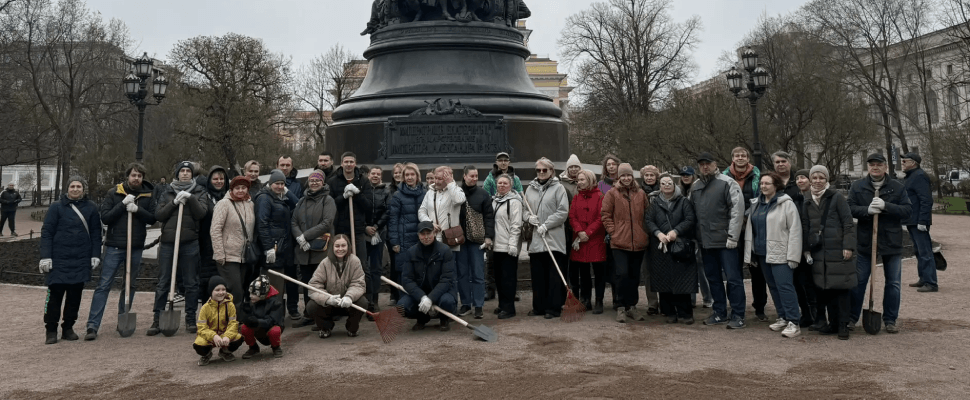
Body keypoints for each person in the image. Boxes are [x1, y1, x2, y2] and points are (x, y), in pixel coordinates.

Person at [85, 163, 156, 341]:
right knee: (104, 285)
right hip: (114, 246)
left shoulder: (148, 194)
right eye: (133, 175)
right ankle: (93, 325)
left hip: (136, 247)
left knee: (130, 285)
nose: (136, 178)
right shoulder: (114, 193)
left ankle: (122, 319)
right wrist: (123, 205)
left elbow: (154, 218)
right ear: (127, 177)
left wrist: (138, 209)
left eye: (139, 175)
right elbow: (106, 218)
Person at [848, 153, 912, 334]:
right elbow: (849, 208)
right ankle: (852, 317)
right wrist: (866, 210)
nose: (875, 168)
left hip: (891, 242)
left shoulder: (897, 188)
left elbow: (907, 210)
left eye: (878, 165)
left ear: (885, 167)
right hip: (866, 240)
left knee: (893, 283)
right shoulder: (858, 186)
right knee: (859, 281)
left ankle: (890, 319)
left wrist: (886, 206)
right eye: (872, 165)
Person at [149, 161, 210, 336]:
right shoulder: (167, 191)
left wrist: (190, 199)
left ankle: (190, 319)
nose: (185, 174)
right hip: (168, 243)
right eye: (182, 171)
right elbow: (159, 215)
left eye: (188, 171)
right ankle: (157, 319)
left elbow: (201, 213)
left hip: (190, 242)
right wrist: (174, 202)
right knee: (163, 283)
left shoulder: (199, 191)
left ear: (192, 175)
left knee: (191, 283)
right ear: (177, 174)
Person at [39, 176, 101, 344]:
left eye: (78, 186)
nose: (75, 189)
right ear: (67, 188)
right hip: (59, 259)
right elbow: (47, 232)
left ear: (83, 189)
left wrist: (96, 254)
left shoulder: (91, 208)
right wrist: (46, 256)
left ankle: (68, 327)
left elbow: (96, 233)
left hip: (81, 259)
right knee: (54, 297)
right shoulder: (56, 207)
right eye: (72, 186)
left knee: (75, 297)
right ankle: (51, 329)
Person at [744, 172, 803, 338]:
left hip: (781, 253)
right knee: (773, 287)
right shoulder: (756, 204)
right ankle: (783, 316)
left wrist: (793, 255)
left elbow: (795, 230)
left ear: (776, 185)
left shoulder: (785, 204)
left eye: (767, 183)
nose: (763, 186)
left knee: (785, 287)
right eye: (762, 183)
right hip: (762, 253)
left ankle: (794, 321)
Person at [801, 165, 856, 340]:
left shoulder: (837, 197)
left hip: (837, 249)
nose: (818, 181)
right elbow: (805, 225)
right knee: (825, 288)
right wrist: (806, 248)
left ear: (827, 180)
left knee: (841, 288)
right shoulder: (807, 198)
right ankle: (832, 323)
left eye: (821, 178)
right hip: (818, 252)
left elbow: (848, 223)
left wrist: (848, 246)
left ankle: (843, 324)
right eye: (815, 178)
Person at [691, 152, 746, 329]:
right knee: (713, 279)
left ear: (715, 164)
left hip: (725, 241)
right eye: (701, 164)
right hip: (705, 242)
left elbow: (737, 211)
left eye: (708, 163)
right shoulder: (696, 186)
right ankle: (719, 312)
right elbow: (692, 214)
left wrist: (733, 236)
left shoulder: (727, 183)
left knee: (733, 278)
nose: (705, 167)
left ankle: (738, 314)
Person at [772, 151, 817, 329]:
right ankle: (803, 313)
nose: (781, 164)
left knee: (807, 280)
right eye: (777, 162)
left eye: (784, 161)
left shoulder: (798, 181)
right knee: (795, 281)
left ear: (789, 162)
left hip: (803, 237)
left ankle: (814, 314)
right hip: (783, 238)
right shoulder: (774, 184)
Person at [645, 174, 697, 324]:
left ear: (674, 185)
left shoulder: (684, 202)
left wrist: (676, 231)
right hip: (661, 247)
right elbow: (649, 220)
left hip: (679, 245)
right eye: (663, 183)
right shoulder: (654, 203)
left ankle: (685, 313)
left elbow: (689, 219)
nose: (666, 185)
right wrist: (658, 233)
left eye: (669, 183)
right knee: (663, 280)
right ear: (659, 186)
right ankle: (669, 313)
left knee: (682, 281)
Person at [723, 146, 768, 322]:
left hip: (753, 226)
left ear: (748, 158)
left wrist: (746, 215)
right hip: (732, 228)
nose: (740, 158)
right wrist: (735, 218)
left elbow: (761, 198)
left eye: (743, 155)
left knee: (757, 271)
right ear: (732, 158)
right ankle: (735, 306)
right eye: (737, 155)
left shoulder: (758, 176)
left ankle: (760, 307)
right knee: (733, 270)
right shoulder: (724, 177)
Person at [601, 163, 649, 323]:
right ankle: (620, 306)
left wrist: (644, 232)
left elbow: (647, 214)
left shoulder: (641, 193)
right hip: (619, 242)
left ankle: (632, 306)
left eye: (629, 175)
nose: (626, 178)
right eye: (623, 176)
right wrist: (613, 232)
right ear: (619, 178)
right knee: (622, 274)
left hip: (638, 241)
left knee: (635, 276)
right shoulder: (612, 194)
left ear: (632, 176)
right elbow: (605, 214)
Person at [523, 158, 570, 319]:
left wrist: (546, 225)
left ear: (551, 171)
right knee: (538, 275)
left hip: (553, 238)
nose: (541, 173)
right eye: (539, 170)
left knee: (554, 275)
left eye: (545, 170)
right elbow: (524, 209)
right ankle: (539, 307)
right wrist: (529, 218)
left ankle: (553, 308)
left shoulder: (559, 189)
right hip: (536, 240)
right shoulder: (530, 189)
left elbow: (562, 212)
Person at [291, 170, 336, 326]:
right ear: (308, 182)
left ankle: (323, 316)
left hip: (321, 250)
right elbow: (294, 222)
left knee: (322, 283)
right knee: (306, 283)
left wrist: (306, 235)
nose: (314, 183)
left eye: (318, 180)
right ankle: (309, 314)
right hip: (304, 250)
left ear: (323, 183)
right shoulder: (302, 201)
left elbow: (327, 222)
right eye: (312, 180)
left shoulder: (327, 200)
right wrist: (299, 237)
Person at [255, 169, 300, 320]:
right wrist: (268, 247)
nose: (280, 186)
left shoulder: (280, 198)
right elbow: (262, 223)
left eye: (282, 184)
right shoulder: (264, 199)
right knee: (273, 283)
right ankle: (272, 316)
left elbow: (298, 205)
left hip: (284, 246)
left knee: (281, 282)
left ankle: (278, 314)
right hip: (273, 247)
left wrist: (287, 192)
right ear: (270, 183)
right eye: (277, 183)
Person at [399, 221, 458, 331]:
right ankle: (422, 318)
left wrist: (431, 298)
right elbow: (407, 280)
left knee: (447, 301)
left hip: (442, 292)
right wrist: (422, 297)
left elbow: (447, 279)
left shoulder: (445, 251)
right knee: (402, 306)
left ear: (434, 233)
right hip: (420, 293)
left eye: (428, 233)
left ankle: (444, 318)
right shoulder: (411, 252)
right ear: (418, 235)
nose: (426, 237)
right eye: (422, 234)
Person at [305, 234, 368, 338]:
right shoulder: (324, 263)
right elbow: (314, 286)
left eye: (343, 246)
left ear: (348, 246)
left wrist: (349, 297)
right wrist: (327, 299)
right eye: (337, 246)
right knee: (311, 306)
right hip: (330, 304)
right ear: (332, 247)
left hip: (349, 304)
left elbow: (359, 284)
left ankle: (352, 328)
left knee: (363, 302)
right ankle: (326, 327)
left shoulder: (355, 261)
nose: (340, 249)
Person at [210, 176, 256, 311]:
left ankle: (235, 319)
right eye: (237, 188)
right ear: (232, 189)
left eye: (243, 188)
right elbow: (215, 229)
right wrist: (219, 253)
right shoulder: (224, 204)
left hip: (244, 255)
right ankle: (231, 321)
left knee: (241, 288)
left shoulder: (250, 204)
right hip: (228, 255)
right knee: (235, 290)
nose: (240, 190)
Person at [456, 166, 495, 319]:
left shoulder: (484, 194)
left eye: (476, 176)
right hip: (459, 241)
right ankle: (466, 304)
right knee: (462, 274)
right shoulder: (456, 193)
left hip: (477, 241)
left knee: (478, 274)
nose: (474, 178)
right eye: (471, 176)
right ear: (464, 176)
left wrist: (488, 236)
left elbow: (489, 217)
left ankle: (478, 305)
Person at [568, 169, 607, 314]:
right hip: (580, 239)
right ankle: (585, 300)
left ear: (590, 180)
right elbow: (572, 216)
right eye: (578, 180)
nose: (579, 182)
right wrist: (579, 231)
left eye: (582, 180)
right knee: (583, 272)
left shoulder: (600, 197)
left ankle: (599, 301)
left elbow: (600, 217)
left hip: (595, 239)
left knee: (599, 273)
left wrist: (588, 232)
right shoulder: (577, 197)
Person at [388, 163, 427, 305]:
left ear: (417, 176)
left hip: (422, 240)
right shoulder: (398, 196)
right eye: (407, 175)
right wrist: (395, 242)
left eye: (412, 175)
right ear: (403, 178)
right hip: (404, 241)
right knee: (404, 273)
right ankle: (404, 304)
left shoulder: (425, 193)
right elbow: (393, 220)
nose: (410, 177)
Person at [327, 152, 373, 267]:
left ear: (355, 164)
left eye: (351, 162)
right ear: (341, 164)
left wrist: (357, 194)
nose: (348, 164)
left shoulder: (363, 181)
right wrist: (343, 197)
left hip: (358, 230)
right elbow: (330, 205)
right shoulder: (333, 181)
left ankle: (361, 285)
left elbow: (368, 206)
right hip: (340, 229)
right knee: (341, 264)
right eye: (346, 162)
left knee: (361, 264)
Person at [900, 152, 938, 293]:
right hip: (912, 220)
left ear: (913, 163)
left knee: (925, 251)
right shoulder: (912, 176)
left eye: (905, 161)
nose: (902, 164)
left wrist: (923, 220)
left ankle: (931, 282)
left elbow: (926, 200)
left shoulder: (919, 176)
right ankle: (923, 278)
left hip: (918, 221)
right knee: (918, 251)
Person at [679, 166, 712, 309]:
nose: (685, 177)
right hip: (685, 233)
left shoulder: (698, 188)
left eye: (688, 175)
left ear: (693, 175)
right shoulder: (679, 191)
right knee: (688, 267)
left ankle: (708, 298)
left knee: (701, 266)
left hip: (699, 231)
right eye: (683, 175)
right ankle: (691, 299)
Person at [491, 174, 523, 319]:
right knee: (498, 278)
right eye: (499, 183)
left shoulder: (514, 202)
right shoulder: (494, 201)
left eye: (505, 183)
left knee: (508, 278)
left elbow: (516, 225)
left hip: (508, 247)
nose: (502, 185)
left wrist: (512, 244)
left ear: (510, 186)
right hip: (496, 246)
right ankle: (502, 304)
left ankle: (509, 308)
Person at [193, 276, 244, 366]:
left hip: (224, 336)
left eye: (223, 289)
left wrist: (227, 336)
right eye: (217, 290)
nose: (221, 292)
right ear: (211, 292)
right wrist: (213, 336)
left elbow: (233, 324)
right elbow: (201, 329)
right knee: (199, 344)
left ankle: (225, 352)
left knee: (238, 338)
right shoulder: (205, 308)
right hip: (211, 337)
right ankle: (206, 355)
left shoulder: (230, 305)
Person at [199, 165, 230, 306]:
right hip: (206, 243)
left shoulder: (230, 196)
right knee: (207, 279)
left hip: (227, 243)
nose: (219, 182)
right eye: (215, 179)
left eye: (221, 179)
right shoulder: (204, 196)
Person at [418, 166, 466, 249]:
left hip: (450, 240)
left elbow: (459, 200)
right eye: (435, 178)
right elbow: (421, 211)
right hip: (432, 239)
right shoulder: (430, 192)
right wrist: (429, 223)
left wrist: (450, 184)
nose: (436, 181)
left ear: (448, 179)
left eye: (439, 179)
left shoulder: (456, 190)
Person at [364, 166, 391, 313]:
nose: (375, 176)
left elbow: (388, 212)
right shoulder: (363, 190)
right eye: (373, 173)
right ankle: (364, 299)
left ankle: (374, 301)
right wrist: (366, 227)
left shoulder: (386, 192)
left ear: (381, 176)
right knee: (363, 268)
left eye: (378, 174)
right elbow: (359, 210)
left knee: (376, 268)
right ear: (369, 175)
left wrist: (376, 227)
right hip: (364, 233)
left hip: (379, 233)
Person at [239, 276, 284, 358]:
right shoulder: (251, 302)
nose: (250, 296)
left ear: (263, 293)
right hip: (257, 329)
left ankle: (276, 347)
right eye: (250, 293)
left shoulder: (276, 303)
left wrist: (257, 322)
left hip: (269, 328)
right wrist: (245, 316)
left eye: (254, 294)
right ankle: (253, 347)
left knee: (275, 330)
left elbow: (274, 321)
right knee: (243, 327)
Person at [639, 164, 662, 315]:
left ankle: (666, 300)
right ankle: (652, 303)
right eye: (646, 175)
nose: (649, 178)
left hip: (661, 235)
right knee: (647, 272)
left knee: (664, 269)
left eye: (651, 175)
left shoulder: (663, 191)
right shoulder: (639, 192)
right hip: (644, 234)